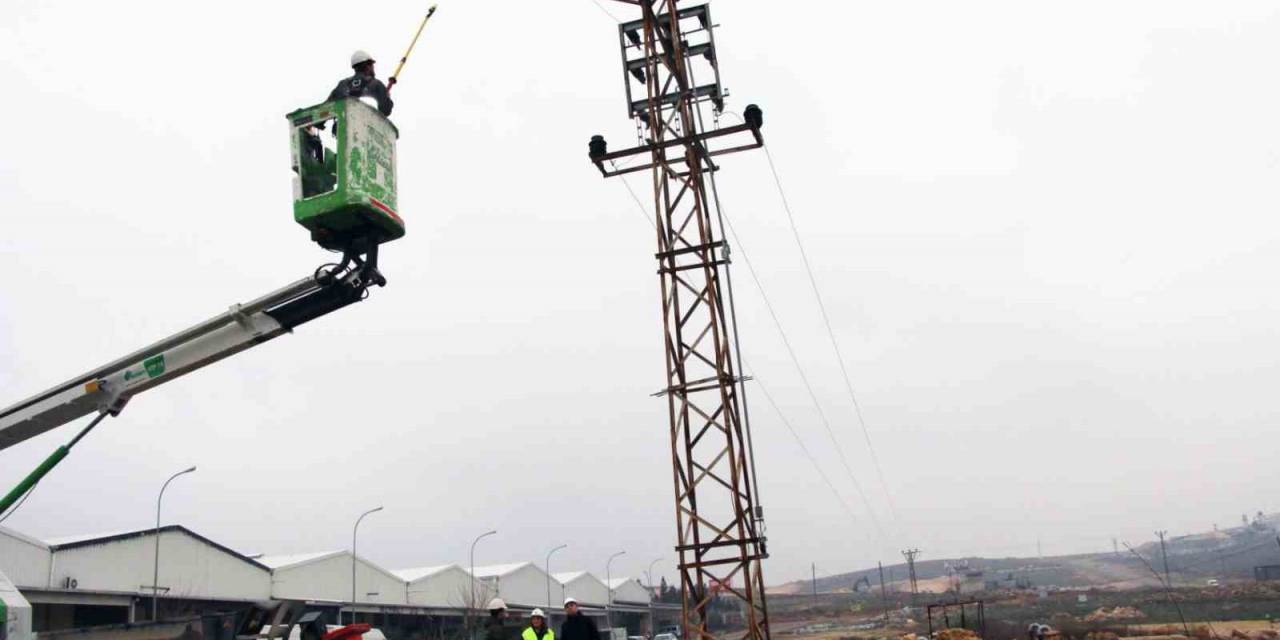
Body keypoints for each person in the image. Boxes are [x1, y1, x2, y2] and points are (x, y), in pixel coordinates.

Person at [328, 50, 394, 116]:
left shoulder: (342, 84)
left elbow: (324, 109)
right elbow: (385, 111)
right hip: (364, 125)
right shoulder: (376, 84)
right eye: (372, 65)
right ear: (368, 66)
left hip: (341, 125)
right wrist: (387, 97)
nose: (373, 67)